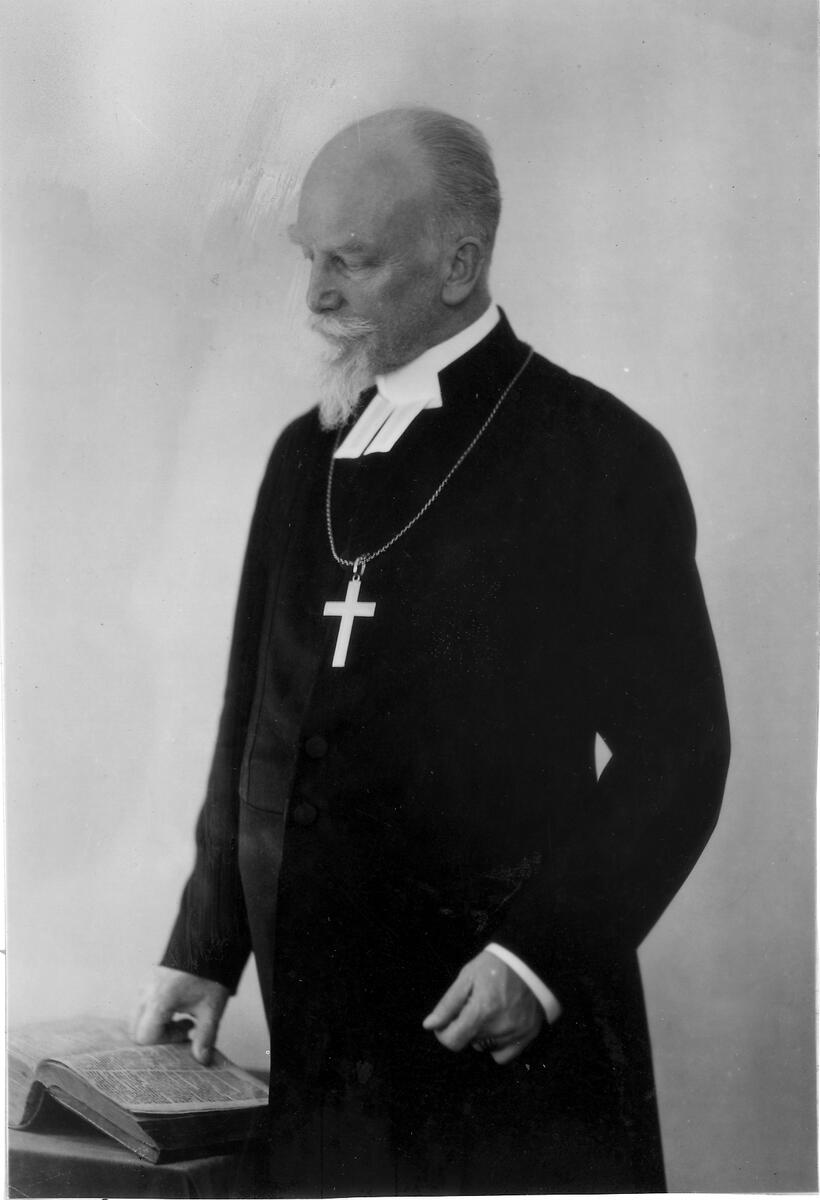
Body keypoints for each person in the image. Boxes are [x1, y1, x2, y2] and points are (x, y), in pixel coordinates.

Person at [132, 107, 730, 1195]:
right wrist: (205, 947)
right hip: (324, 1057)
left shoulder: (596, 455)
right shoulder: (305, 454)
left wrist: (535, 960)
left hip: (503, 1059)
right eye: (310, 258)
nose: (316, 297)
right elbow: (251, 726)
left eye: (352, 262)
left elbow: (679, 754)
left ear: (458, 266)